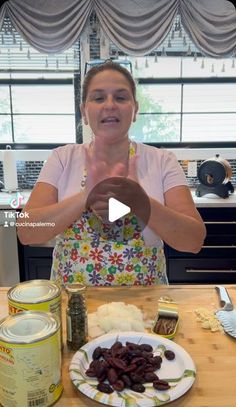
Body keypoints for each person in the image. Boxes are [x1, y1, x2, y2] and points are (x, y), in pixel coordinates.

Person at [17, 61, 206, 286]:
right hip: (74, 309)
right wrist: (85, 196)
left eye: (121, 97)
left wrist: (141, 201)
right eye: (98, 98)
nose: (110, 105)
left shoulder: (163, 161)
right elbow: (28, 232)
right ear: (84, 113)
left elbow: (193, 240)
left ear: (134, 109)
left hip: (143, 310)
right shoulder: (62, 158)